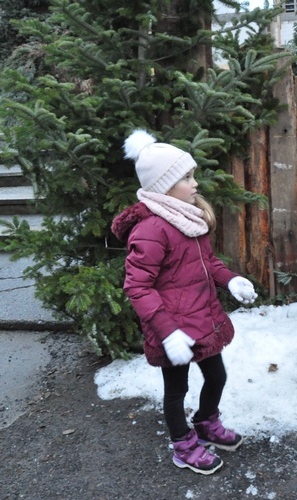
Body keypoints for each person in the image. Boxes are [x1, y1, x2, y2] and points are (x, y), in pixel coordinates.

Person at [111, 129, 258, 475]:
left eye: (193, 176)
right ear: (163, 186)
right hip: (172, 329)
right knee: (176, 390)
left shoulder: (189, 219)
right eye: (186, 178)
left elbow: (209, 264)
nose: (195, 184)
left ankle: (206, 421)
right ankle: (183, 445)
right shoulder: (151, 229)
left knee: (217, 376)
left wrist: (231, 280)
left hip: (203, 319)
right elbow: (137, 287)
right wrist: (167, 333)